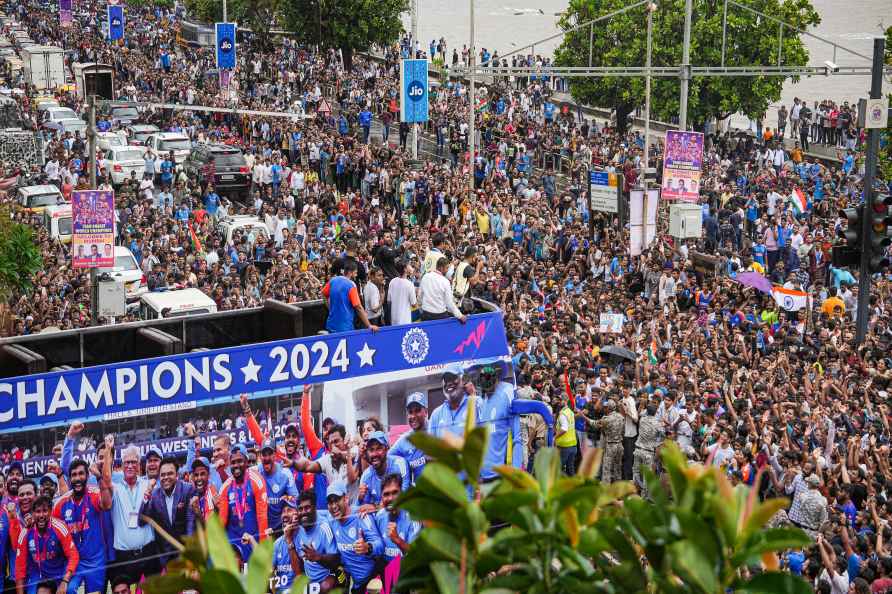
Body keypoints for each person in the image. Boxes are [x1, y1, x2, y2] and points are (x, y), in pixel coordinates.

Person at [100, 441, 159, 586]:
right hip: (124, 557)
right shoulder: (116, 489)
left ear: (139, 465)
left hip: (149, 552)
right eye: (127, 463)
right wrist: (108, 449)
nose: (130, 466)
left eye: (134, 462)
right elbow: (106, 479)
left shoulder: (149, 485)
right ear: (122, 465)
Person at [51, 460, 110, 594]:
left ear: (88, 476)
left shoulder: (94, 493)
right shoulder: (61, 504)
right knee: (69, 590)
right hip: (74, 563)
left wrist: (100, 478)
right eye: (74, 475)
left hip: (96, 562)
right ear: (70, 478)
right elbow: (53, 529)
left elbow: (107, 505)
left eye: (81, 474)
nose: (77, 478)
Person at [326, 482, 383, 594]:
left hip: (372, 579)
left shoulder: (361, 515)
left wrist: (368, 547)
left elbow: (380, 544)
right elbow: (316, 516)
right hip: (355, 582)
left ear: (346, 499)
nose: (333, 506)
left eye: (337, 500)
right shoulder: (330, 519)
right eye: (330, 502)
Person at [15, 496, 79, 594]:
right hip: (39, 575)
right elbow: (20, 568)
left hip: (61, 572)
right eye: (37, 511)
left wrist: (65, 580)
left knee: (69, 590)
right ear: (32, 513)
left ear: (50, 511)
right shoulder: (25, 533)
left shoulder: (59, 527)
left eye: (45, 511)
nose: (41, 515)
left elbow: (73, 555)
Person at [138, 458, 195, 568]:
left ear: (177, 475)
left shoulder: (187, 490)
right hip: (165, 558)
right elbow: (141, 521)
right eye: (163, 475)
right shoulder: (154, 496)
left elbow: (190, 522)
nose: (166, 477)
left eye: (170, 474)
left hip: (185, 553)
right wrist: (147, 495)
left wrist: (189, 551)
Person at [217, 444, 269, 564]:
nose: (236, 465)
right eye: (233, 462)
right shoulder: (225, 487)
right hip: (233, 540)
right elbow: (221, 522)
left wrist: (262, 548)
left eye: (240, 461)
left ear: (246, 462)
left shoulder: (257, 481)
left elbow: (262, 518)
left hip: (252, 537)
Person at [293, 490, 339, 593]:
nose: (304, 512)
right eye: (300, 509)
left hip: (329, 574)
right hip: (310, 579)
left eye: (307, 507)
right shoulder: (297, 530)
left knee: (325, 587)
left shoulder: (324, 526)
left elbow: (336, 560)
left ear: (314, 508)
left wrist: (318, 557)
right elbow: (299, 563)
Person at [321, 259, 379, 333]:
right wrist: (369, 325)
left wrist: (330, 309)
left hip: (331, 324)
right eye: (355, 273)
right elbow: (358, 307)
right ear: (350, 272)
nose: (356, 275)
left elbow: (323, 294)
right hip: (345, 327)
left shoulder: (333, 280)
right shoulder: (351, 285)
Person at [254, 439, 299, 532]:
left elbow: (296, 499)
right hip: (261, 527)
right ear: (260, 456)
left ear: (275, 455)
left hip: (280, 527)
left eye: (269, 454)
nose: (266, 458)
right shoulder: (255, 472)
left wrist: (286, 498)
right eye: (264, 454)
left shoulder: (285, 473)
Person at [357, 432, 409, 509]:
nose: (374, 454)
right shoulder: (366, 476)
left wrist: (376, 507)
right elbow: (362, 509)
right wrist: (360, 498)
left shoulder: (400, 464)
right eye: (371, 450)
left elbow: (404, 498)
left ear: (387, 449)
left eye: (379, 448)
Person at [390, 392, 429, 484]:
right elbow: (387, 460)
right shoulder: (403, 440)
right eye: (410, 412)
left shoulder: (436, 430)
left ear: (426, 412)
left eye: (417, 410)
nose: (413, 416)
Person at [419, 257, 466, 322]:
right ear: (441, 268)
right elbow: (449, 303)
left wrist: (422, 308)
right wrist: (460, 316)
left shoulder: (425, 276)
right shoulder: (445, 282)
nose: (447, 270)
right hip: (439, 315)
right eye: (447, 268)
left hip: (425, 313)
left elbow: (420, 296)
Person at [553, 393, 578, 476]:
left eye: (561, 400)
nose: (559, 401)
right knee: (570, 469)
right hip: (573, 445)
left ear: (566, 401)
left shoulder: (563, 414)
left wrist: (554, 437)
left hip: (564, 447)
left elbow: (564, 428)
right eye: (558, 400)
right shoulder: (570, 412)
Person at [386, 262, 416, 326]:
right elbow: (414, 304)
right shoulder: (409, 284)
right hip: (405, 320)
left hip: (394, 319)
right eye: (408, 265)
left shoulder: (392, 281)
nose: (410, 266)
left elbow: (389, 302)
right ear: (405, 269)